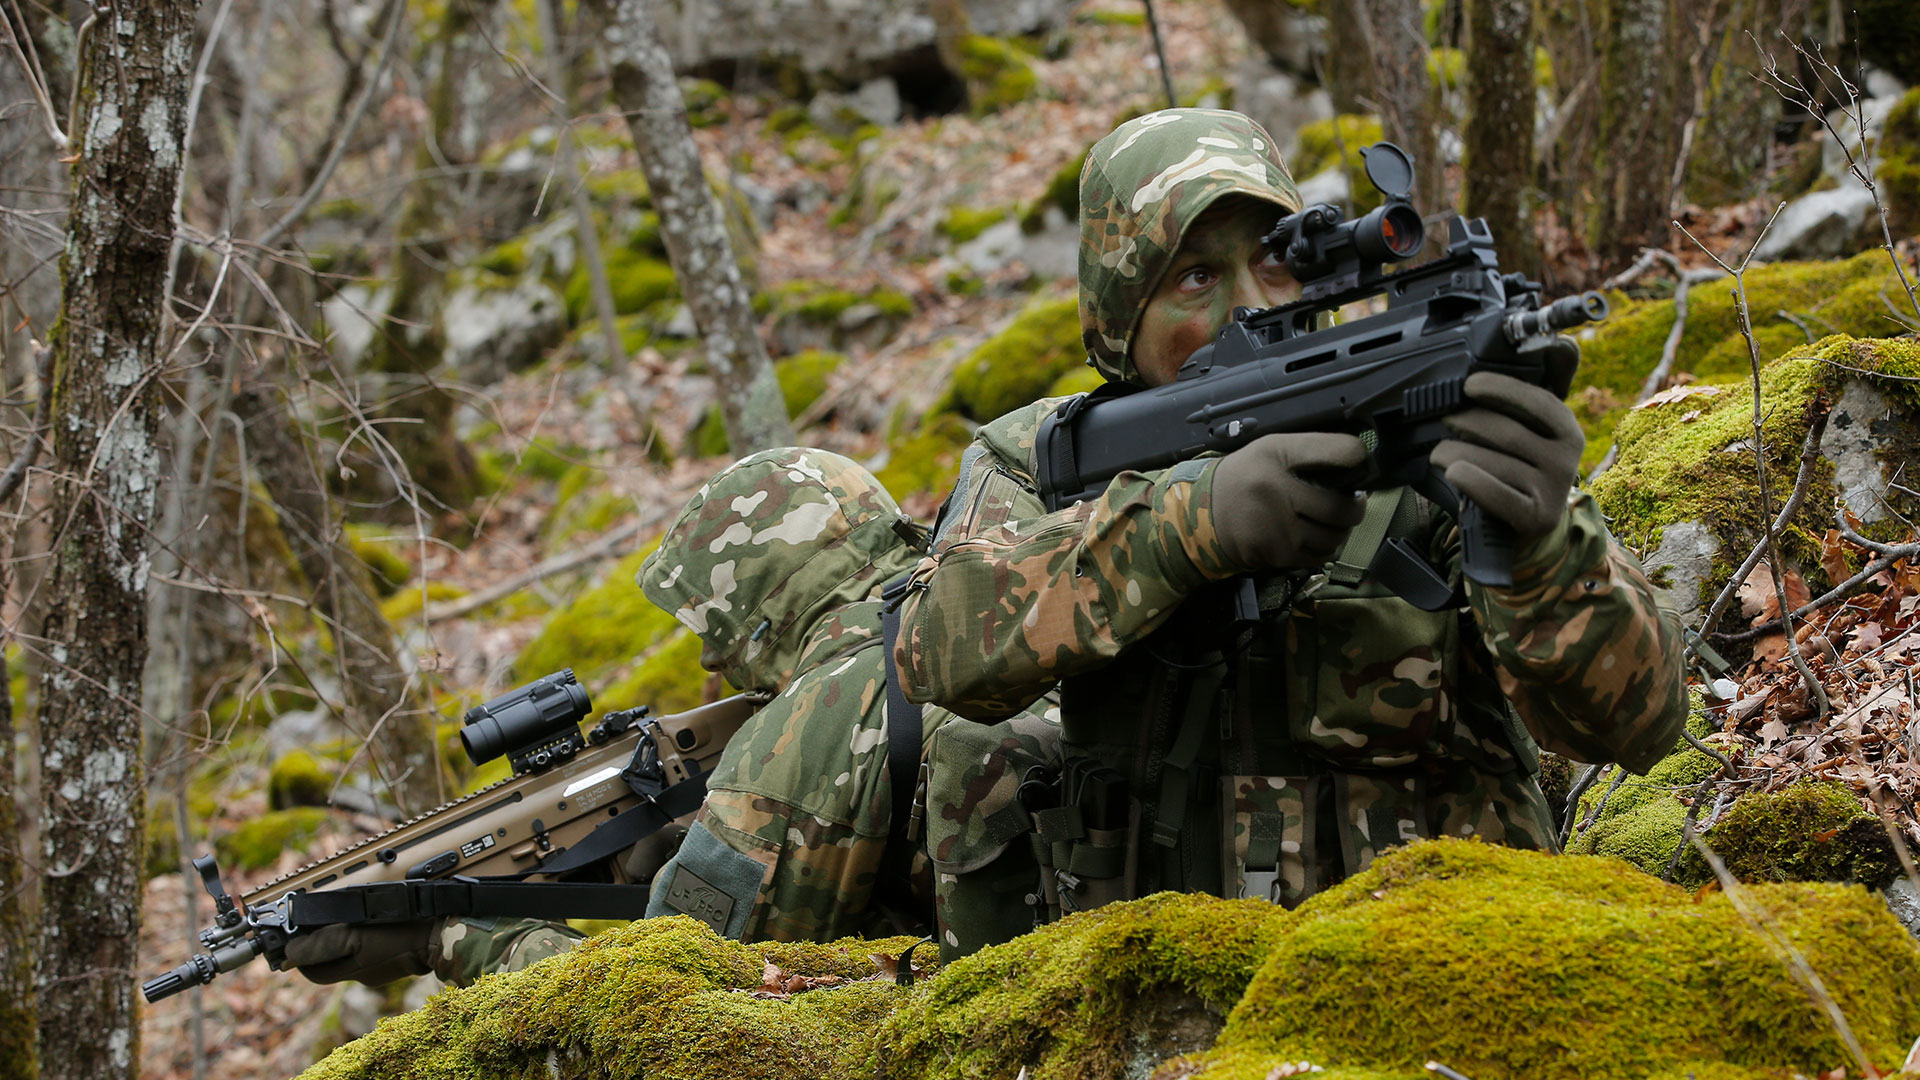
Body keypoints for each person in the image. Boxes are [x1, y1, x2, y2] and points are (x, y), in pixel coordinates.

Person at [892, 108, 1691, 913]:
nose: (1248, 305)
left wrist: (1543, 546)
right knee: (978, 749)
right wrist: (1190, 522)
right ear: (1120, 320)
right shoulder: (1049, 453)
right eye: (1195, 276)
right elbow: (934, 646)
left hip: (1440, 975)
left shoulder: (1408, 415)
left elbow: (1641, 726)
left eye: (1275, 263)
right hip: (1159, 982)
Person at [288, 447, 1056, 986]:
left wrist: (450, 935)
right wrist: (653, 851)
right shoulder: (1000, 603)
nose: (709, 666)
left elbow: (671, 1009)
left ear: (768, 607)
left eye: (715, 630)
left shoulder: (795, 745)